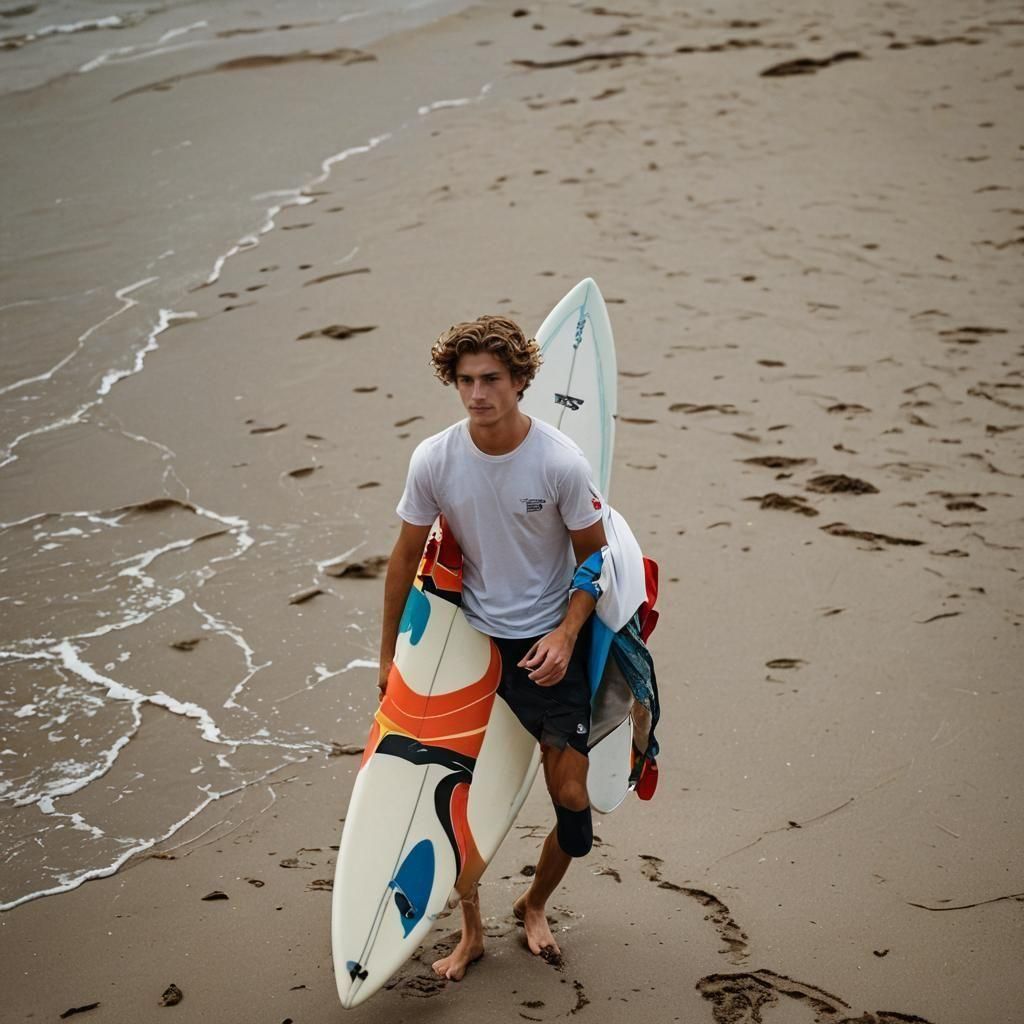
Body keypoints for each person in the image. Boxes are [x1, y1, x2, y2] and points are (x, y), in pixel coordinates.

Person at [377, 314, 607, 981]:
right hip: (471, 647)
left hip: (548, 645)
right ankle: (471, 931)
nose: (478, 394)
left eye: (492, 380)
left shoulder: (558, 461)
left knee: (573, 809)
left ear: (521, 382)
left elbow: (595, 562)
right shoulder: (436, 460)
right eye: (466, 380)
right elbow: (403, 559)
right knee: (457, 800)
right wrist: (388, 657)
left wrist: (566, 635)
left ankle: (534, 903)